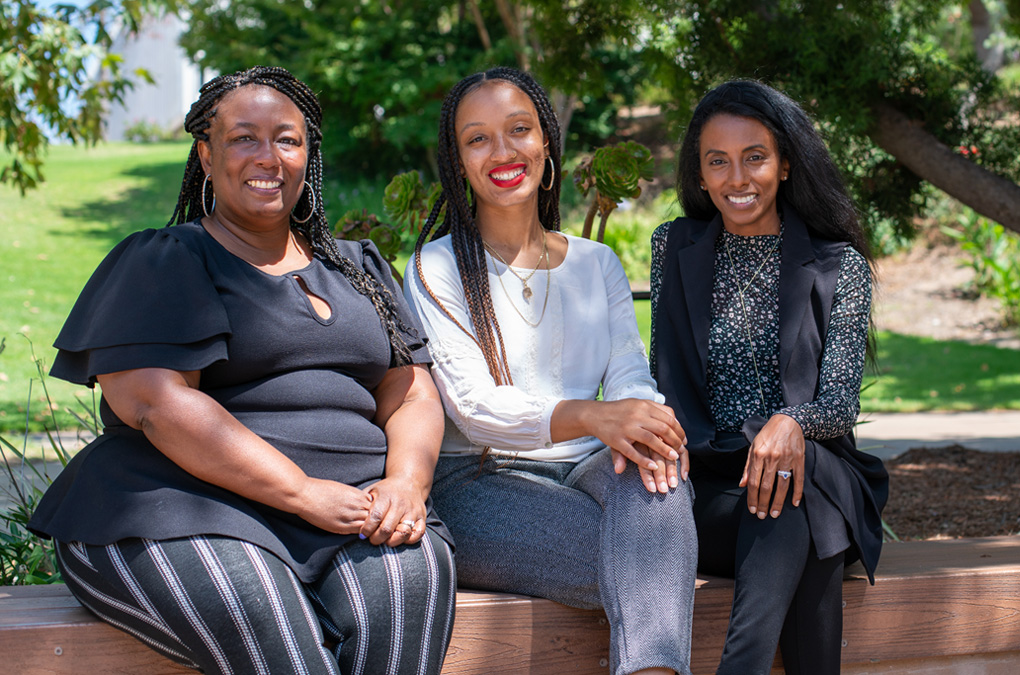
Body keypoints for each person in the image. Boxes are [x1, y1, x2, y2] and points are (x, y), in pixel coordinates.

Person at [27, 66, 456, 675]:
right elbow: (155, 402)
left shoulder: (357, 268)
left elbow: (409, 388)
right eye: (243, 138)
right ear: (206, 154)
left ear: (308, 153)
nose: (268, 156)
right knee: (270, 629)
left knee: (408, 593)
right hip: (184, 508)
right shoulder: (167, 259)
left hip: (355, 509)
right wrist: (303, 494)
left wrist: (407, 485)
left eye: (287, 139)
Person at [402, 67, 697, 675]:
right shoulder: (436, 268)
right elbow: (473, 409)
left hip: (595, 463)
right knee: (651, 558)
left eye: (518, 130)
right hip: (478, 479)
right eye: (477, 139)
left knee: (659, 486)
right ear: (457, 162)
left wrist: (645, 424)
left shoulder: (597, 262)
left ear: (546, 145)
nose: (503, 151)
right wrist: (592, 415)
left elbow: (627, 372)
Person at [650, 80, 890, 675]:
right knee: (796, 516)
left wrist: (791, 422)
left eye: (755, 157)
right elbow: (663, 376)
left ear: (785, 164)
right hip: (707, 484)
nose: (738, 178)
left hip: (813, 473)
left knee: (790, 492)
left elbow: (837, 403)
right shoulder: (673, 248)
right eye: (718, 161)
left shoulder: (838, 265)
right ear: (700, 175)